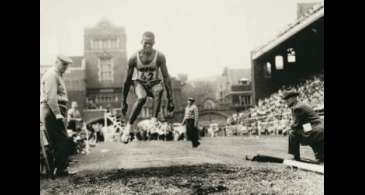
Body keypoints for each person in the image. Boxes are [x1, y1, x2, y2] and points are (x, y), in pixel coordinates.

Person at [121, 31, 174, 143]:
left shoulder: (159, 56)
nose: (148, 46)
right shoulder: (134, 58)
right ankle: (128, 126)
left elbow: (166, 78)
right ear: (141, 42)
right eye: (146, 43)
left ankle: (153, 121)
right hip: (139, 83)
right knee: (142, 98)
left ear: (154, 43)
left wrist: (170, 99)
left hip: (154, 83)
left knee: (159, 89)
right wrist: (123, 101)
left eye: (150, 43)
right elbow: (127, 81)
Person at [40, 55, 73, 177]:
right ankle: (60, 169)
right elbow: (51, 97)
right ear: (56, 62)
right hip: (52, 111)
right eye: (63, 64)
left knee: (59, 140)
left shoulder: (57, 75)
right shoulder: (51, 74)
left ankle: (60, 168)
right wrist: (58, 113)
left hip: (54, 111)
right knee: (61, 140)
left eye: (67, 65)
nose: (65, 67)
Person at [282, 89, 324, 162]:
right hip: (318, 130)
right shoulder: (299, 105)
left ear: (293, 98)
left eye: (287, 99)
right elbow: (305, 124)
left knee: (292, 133)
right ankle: (319, 154)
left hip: (316, 131)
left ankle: (295, 156)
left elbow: (296, 126)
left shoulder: (297, 107)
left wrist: (286, 129)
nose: (286, 101)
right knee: (305, 131)